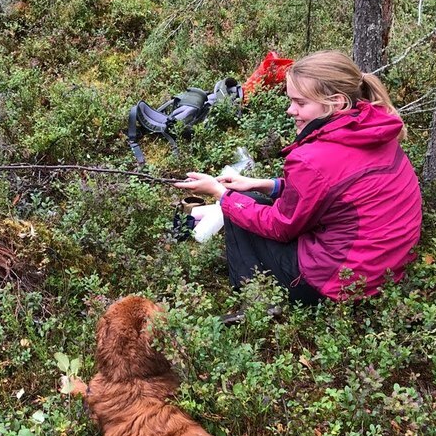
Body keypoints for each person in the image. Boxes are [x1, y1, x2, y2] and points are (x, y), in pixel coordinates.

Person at [175, 50, 422, 304]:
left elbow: (280, 226)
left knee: (238, 207)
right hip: (383, 273)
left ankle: (255, 300)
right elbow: (332, 192)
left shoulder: (312, 159)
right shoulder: (372, 129)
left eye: (301, 103)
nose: (290, 110)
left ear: (336, 103)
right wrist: (263, 185)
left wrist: (221, 194)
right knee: (248, 197)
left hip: (337, 284)